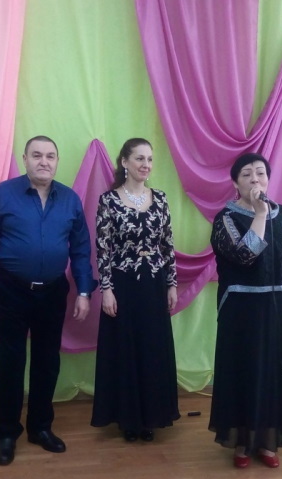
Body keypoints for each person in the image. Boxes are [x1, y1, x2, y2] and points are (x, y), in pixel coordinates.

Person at [0, 135, 97, 466]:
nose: (44, 161)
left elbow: (81, 250)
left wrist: (84, 292)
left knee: (47, 362)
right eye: (37, 155)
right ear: (25, 159)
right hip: (10, 290)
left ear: (57, 161)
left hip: (53, 292)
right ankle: (7, 433)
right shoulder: (3, 194)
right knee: (11, 363)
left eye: (50, 156)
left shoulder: (69, 200)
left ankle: (40, 427)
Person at [209, 153, 282, 469]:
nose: (255, 178)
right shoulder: (225, 219)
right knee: (244, 372)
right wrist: (259, 213)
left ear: (268, 179)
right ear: (235, 183)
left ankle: (268, 441)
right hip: (241, 310)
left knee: (273, 374)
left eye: (260, 173)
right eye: (246, 174)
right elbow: (245, 255)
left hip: (278, 308)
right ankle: (243, 442)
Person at [90, 138, 180, 442]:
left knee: (151, 348)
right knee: (125, 350)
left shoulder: (161, 199)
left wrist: (171, 283)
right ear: (124, 162)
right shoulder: (109, 200)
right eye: (139, 158)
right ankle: (128, 419)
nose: (146, 164)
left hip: (154, 284)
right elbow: (103, 249)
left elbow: (167, 245)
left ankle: (151, 417)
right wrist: (106, 289)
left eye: (150, 159)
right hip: (123, 285)